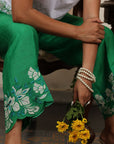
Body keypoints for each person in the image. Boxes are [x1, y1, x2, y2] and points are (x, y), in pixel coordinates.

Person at [0, 0, 114, 144]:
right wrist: (78, 32)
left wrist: (86, 74)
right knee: (24, 33)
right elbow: (21, 13)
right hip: (7, 17)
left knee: (105, 36)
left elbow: (92, 24)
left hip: (45, 22)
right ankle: (13, 138)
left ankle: (111, 130)